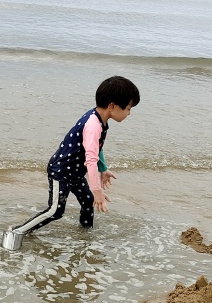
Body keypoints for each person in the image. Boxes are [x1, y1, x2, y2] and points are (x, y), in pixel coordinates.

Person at [9, 76, 139, 235]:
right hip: (61, 171)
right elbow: (91, 161)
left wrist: (103, 169)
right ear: (112, 106)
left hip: (75, 173)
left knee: (88, 201)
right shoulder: (93, 125)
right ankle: (17, 231)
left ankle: (85, 234)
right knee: (55, 211)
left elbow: (96, 148)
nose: (129, 113)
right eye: (128, 108)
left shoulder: (101, 120)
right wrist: (97, 191)